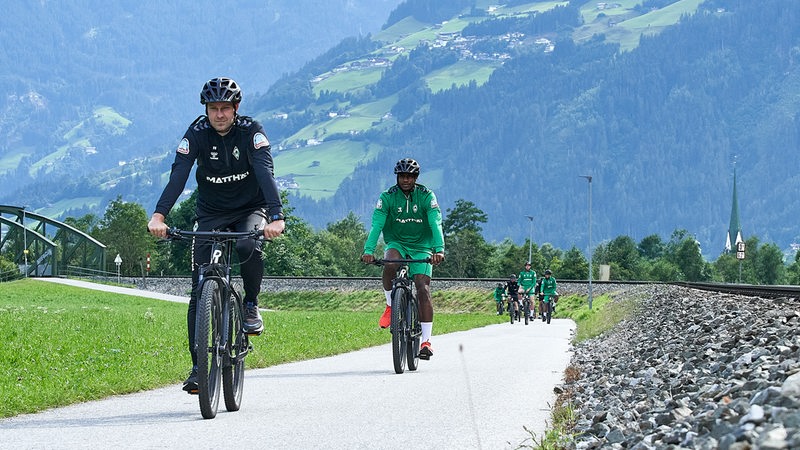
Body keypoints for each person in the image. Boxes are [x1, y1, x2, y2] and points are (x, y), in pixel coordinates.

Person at [147, 77, 285, 393]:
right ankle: (198, 368)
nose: (219, 114)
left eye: (225, 108)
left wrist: (276, 216)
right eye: (213, 108)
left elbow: (265, 172)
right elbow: (178, 175)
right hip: (211, 212)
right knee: (198, 288)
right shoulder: (196, 133)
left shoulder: (252, 131)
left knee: (250, 244)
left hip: (250, 207)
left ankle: (250, 303)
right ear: (206, 109)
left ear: (236, 108)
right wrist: (159, 215)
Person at [361, 158, 445, 360]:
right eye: (402, 176)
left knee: (423, 288)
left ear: (415, 178)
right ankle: (391, 305)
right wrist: (368, 249)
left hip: (422, 246)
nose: (405, 180)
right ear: (397, 177)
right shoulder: (387, 197)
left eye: (409, 176)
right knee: (390, 263)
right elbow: (377, 224)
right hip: (397, 242)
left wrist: (439, 249)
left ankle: (426, 341)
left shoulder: (426, 196)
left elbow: (435, 222)